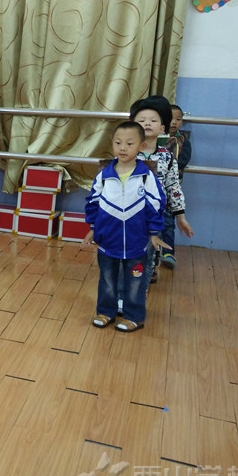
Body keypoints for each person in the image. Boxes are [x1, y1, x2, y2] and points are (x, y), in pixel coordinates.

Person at [83, 121, 168, 332]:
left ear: (141, 146)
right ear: (112, 143)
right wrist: (93, 228)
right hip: (108, 241)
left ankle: (134, 317)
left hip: (137, 243)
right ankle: (106, 312)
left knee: (135, 282)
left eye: (129, 144)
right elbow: (93, 203)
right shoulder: (104, 176)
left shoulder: (146, 176)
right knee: (107, 280)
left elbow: (156, 205)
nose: (123, 148)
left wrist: (154, 233)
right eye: (118, 143)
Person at [129, 95, 195, 282]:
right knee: (126, 252)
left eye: (153, 120)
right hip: (128, 214)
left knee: (149, 252)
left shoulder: (167, 157)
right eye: (141, 120)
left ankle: (144, 281)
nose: (147, 124)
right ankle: (127, 284)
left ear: (163, 128)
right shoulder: (126, 154)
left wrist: (180, 216)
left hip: (154, 216)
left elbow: (173, 187)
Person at [160, 103, 193, 268]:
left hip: (171, 187)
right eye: (170, 118)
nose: (174, 122)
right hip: (154, 186)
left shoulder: (183, 140)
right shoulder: (156, 138)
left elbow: (184, 159)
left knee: (168, 222)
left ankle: (168, 252)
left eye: (178, 119)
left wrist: (169, 166)